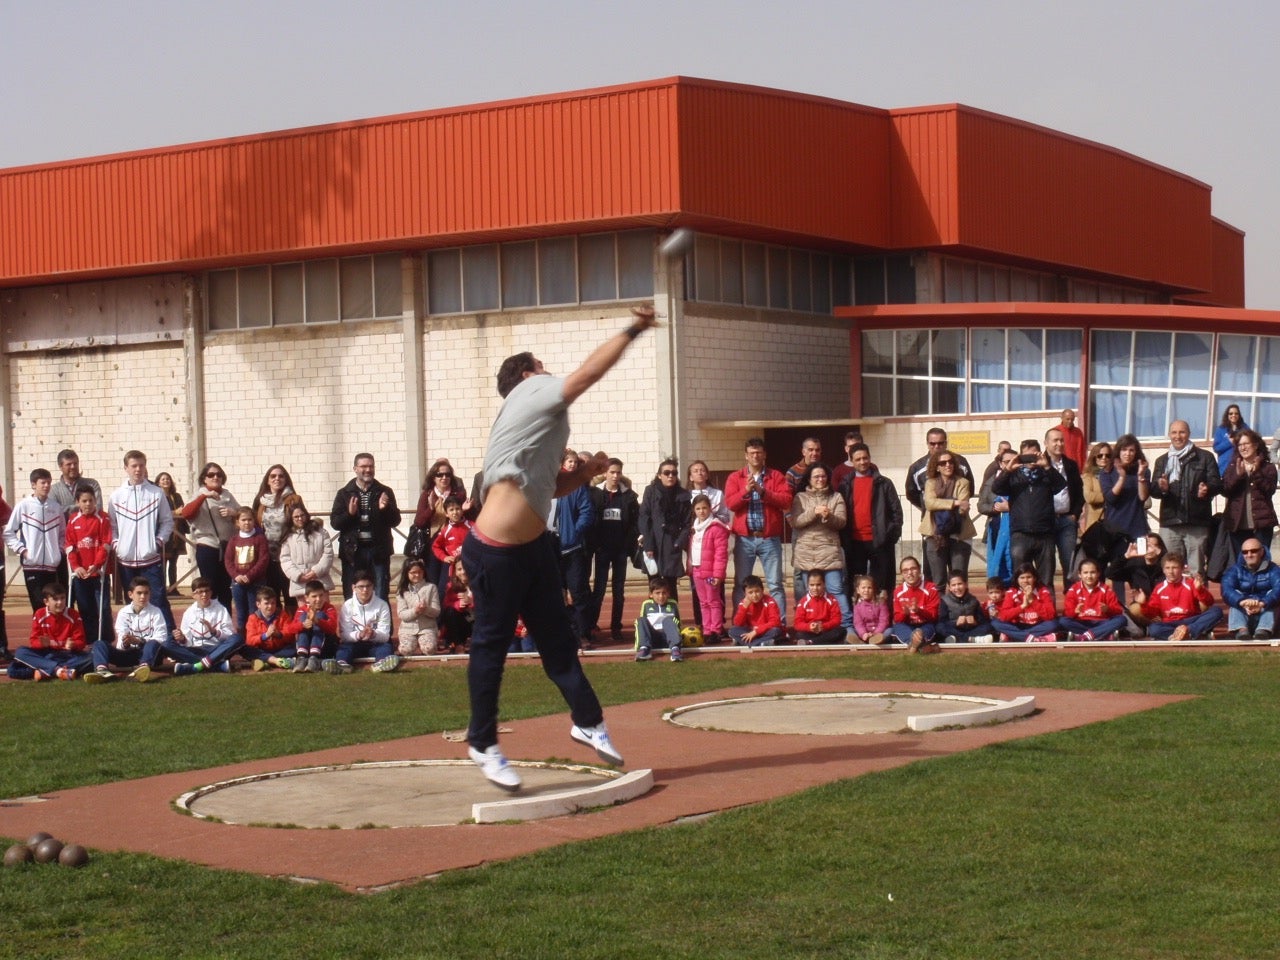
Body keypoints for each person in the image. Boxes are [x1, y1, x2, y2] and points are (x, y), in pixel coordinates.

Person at [460, 308, 652, 791]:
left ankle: (587, 720)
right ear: (527, 375)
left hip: (532, 550)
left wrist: (584, 473)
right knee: (491, 647)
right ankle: (482, 741)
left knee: (559, 641)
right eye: (542, 367)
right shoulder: (530, 391)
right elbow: (586, 375)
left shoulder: (537, 424)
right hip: (495, 552)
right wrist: (633, 329)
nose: (549, 373)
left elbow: (548, 490)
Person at [725, 438, 793, 618]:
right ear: (746, 456)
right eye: (752, 453)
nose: (755, 456)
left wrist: (763, 492)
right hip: (744, 539)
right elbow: (730, 503)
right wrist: (745, 491)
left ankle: (779, 624)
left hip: (769, 538)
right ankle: (740, 622)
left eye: (759, 452)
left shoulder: (776, 476)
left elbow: (786, 500)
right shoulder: (735, 477)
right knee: (741, 583)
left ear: (764, 455)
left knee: (775, 584)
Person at [109, 451, 175, 632]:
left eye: (141, 465)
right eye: (134, 466)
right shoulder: (116, 496)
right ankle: (134, 638)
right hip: (126, 561)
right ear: (126, 468)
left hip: (150, 560)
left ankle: (169, 639)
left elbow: (167, 521)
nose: (138, 469)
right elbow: (112, 526)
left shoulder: (156, 493)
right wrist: (117, 545)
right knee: (132, 603)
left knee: (158, 600)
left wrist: (158, 542)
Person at [1150, 420, 1220, 577]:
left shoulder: (1205, 457)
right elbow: (1153, 490)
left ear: (1188, 434)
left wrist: (1207, 489)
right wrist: (1162, 488)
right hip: (1170, 523)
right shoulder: (1162, 461)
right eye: (1174, 432)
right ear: (1169, 435)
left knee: (1197, 571)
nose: (1178, 436)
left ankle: (1199, 594)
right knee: (1171, 570)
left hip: (1197, 522)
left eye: (1182, 432)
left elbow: (1217, 483)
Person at [991, 440, 1066, 587]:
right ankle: (1022, 602)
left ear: (1040, 454)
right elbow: (996, 488)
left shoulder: (1046, 473)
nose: (1030, 459)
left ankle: (1046, 602)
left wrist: (1047, 466)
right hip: (1020, 533)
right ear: (1020, 456)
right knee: (1021, 578)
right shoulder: (1014, 475)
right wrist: (1008, 470)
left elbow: (1060, 485)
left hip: (1044, 533)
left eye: (1034, 455)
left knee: (1046, 579)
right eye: (1026, 456)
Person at [905, 428, 974, 586]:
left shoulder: (961, 463)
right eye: (933, 443)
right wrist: (948, 505)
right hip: (933, 529)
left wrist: (941, 504)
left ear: (946, 443)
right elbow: (915, 495)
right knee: (934, 578)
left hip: (958, 529)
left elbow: (968, 493)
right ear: (927, 444)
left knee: (959, 578)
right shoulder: (917, 468)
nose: (937, 446)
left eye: (940, 443)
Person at [330, 453, 402, 600]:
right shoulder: (344, 493)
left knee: (380, 592)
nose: (368, 470)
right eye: (363, 466)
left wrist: (385, 509)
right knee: (352, 594)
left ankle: (381, 616)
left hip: (378, 551)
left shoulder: (384, 491)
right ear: (355, 469)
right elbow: (335, 523)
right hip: (352, 552)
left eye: (371, 466)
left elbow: (395, 521)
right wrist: (349, 514)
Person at [789, 462, 850, 628]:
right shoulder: (800, 497)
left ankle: (846, 626)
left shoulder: (836, 497)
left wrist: (829, 516)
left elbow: (841, 522)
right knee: (809, 593)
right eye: (816, 476)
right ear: (809, 479)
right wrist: (813, 512)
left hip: (829, 551)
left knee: (836, 590)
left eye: (823, 476)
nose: (820, 479)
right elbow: (796, 521)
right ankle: (808, 626)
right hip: (806, 552)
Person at [588, 458, 639, 642]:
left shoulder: (629, 496)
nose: (615, 476)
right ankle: (591, 625)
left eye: (618, 472)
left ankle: (616, 627)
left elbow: (635, 522)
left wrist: (628, 543)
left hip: (620, 550)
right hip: (602, 549)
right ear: (605, 474)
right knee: (599, 590)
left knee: (619, 591)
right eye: (612, 472)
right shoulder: (596, 495)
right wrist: (596, 543)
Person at [550, 450, 597, 648]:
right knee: (554, 594)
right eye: (569, 461)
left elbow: (587, 512)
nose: (572, 465)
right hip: (549, 548)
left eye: (575, 462)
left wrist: (575, 532)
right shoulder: (548, 483)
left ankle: (582, 634)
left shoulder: (577, 487)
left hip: (572, 548)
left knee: (578, 593)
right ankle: (559, 634)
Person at [4, 468, 68, 611]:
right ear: (33, 485)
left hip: (52, 566)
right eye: (43, 483)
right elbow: (8, 532)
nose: (46, 486)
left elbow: (63, 534)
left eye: (49, 483)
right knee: (39, 607)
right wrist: (23, 551)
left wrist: (59, 552)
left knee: (54, 609)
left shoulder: (56, 508)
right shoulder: (23, 506)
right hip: (32, 566)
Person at [180, 462, 240, 612]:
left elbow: (244, 514)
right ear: (204, 479)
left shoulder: (227, 495)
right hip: (207, 547)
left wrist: (234, 513)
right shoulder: (200, 494)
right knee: (210, 588)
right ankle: (210, 619)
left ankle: (225, 620)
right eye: (211, 475)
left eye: (219, 475)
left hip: (227, 547)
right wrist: (203, 496)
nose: (215, 477)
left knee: (226, 589)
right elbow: (186, 513)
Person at [84, 576, 166, 683]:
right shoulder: (123, 612)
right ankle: (102, 671)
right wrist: (126, 642)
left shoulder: (156, 612)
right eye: (139, 593)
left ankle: (143, 668)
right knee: (99, 643)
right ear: (130, 594)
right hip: (128, 654)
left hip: (148, 654)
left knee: (152, 643)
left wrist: (140, 641)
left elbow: (161, 637)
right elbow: (121, 642)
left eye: (146, 593)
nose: (143, 597)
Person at [7, 583, 89, 681]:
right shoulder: (39, 614)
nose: (60, 602)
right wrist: (41, 644)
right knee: (20, 653)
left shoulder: (73, 615)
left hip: (67, 655)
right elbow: (33, 641)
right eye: (55, 599)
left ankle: (45, 671)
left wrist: (74, 644)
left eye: (62, 598)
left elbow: (81, 642)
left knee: (92, 657)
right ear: (46, 602)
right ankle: (58, 670)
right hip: (46, 654)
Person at [919, 449, 976, 589]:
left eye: (950, 462)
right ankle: (939, 604)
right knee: (938, 581)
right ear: (937, 467)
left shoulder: (963, 482)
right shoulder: (930, 483)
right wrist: (954, 502)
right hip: (935, 534)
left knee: (959, 581)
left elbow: (963, 507)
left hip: (959, 534)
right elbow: (929, 504)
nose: (947, 465)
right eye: (943, 463)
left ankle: (959, 603)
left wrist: (941, 504)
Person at [65, 483, 113, 644]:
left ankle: (106, 640)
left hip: (98, 573)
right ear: (77, 502)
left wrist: (97, 564)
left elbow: (105, 544)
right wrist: (76, 566)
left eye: (91, 500)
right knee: (85, 609)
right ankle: (90, 641)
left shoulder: (103, 518)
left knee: (103, 608)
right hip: (81, 574)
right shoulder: (73, 520)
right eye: (84, 501)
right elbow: (70, 546)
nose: (88, 504)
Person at [165, 576, 242, 675]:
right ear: (193, 595)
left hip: (216, 649)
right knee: (167, 644)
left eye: (207, 591)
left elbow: (229, 635)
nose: (204, 594)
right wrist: (182, 638)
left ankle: (196, 666)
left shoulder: (221, 609)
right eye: (200, 592)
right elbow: (187, 642)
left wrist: (214, 632)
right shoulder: (188, 613)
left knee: (237, 638)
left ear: (211, 592)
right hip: (195, 650)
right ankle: (216, 665)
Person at [1140, 552, 1222, 641]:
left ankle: (1188, 632)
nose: (1171, 572)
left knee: (1216, 611)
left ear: (1182, 569)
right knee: (1153, 629)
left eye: (1174, 568)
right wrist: (1143, 604)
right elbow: (1152, 614)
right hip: (1170, 623)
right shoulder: (1159, 588)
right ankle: (1190, 635)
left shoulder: (1191, 583)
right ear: (1163, 570)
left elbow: (1209, 602)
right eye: (1167, 568)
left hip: (1191, 621)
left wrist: (1200, 590)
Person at [328, 570, 400, 673]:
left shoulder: (382, 605)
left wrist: (373, 634)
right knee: (344, 648)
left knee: (386, 647)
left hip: (375, 643)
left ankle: (382, 663)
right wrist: (359, 634)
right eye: (361, 586)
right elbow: (344, 635)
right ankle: (342, 665)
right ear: (354, 588)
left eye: (368, 586)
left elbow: (385, 635)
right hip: (355, 643)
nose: (365, 590)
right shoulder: (347, 606)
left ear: (373, 586)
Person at [638, 457, 689, 600]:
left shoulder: (683, 495)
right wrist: (648, 544)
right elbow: (644, 517)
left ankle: (673, 613)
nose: (670, 476)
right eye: (666, 473)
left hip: (671, 544)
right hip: (653, 543)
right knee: (654, 584)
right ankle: (654, 613)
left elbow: (687, 523)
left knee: (670, 585)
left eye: (674, 473)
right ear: (659, 475)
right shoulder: (651, 491)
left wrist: (679, 543)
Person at [1220, 429, 1277, 555]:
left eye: (1246, 444)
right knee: (1241, 561)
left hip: (1262, 525)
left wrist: (1256, 473)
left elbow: (1270, 490)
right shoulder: (1232, 467)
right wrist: (1238, 476)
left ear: (1256, 445)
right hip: (1238, 525)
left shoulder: (1268, 467)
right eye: (1240, 445)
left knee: (1262, 560)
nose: (1243, 448)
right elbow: (1225, 490)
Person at [1044, 426, 1085, 588]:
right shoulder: (1040, 464)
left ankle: (1071, 597)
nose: (1059, 444)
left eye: (1061, 440)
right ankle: (1048, 600)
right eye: (1055, 440)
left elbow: (1079, 492)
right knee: (1047, 564)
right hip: (1046, 521)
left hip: (1067, 520)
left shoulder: (1071, 465)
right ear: (1046, 443)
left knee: (1070, 562)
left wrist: (1075, 514)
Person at [686, 493, 729, 644]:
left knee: (713, 601)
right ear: (694, 510)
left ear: (710, 508)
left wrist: (718, 574)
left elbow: (721, 554)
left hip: (710, 572)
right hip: (697, 570)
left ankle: (716, 631)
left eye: (704, 508)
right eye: (698, 508)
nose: (702, 511)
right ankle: (706, 630)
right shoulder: (694, 528)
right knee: (703, 602)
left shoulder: (716, 527)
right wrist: (690, 567)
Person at [251, 465, 299, 598]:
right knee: (271, 593)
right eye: (273, 476)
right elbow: (254, 523)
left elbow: (301, 521)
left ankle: (291, 613)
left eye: (281, 476)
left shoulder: (294, 499)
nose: (277, 479)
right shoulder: (260, 501)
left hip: (288, 552)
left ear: (286, 479)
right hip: (267, 553)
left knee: (290, 594)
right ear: (267, 480)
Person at [1220, 538, 1280, 640]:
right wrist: (1242, 602)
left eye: (1254, 551)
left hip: (1265, 612)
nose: (1249, 555)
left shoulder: (1274, 569)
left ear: (1261, 552)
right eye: (1245, 552)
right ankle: (1241, 630)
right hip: (1244, 611)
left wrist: (1262, 603)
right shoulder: (1234, 569)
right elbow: (1226, 589)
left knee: (1272, 596)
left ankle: (1263, 630)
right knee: (1235, 597)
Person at [224, 507, 271, 637]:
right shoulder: (234, 540)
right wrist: (236, 576)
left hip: (256, 583)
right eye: (243, 520)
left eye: (250, 519)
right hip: (238, 583)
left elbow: (263, 559)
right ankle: (241, 639)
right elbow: (228, 560)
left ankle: (254, 639)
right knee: (241, 613)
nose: (247, 523)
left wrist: (249, 576)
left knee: (254, 612)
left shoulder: (260, 538)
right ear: (237, 522)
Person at [1058, 558, 1127, 642]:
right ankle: (1101, 634)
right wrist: (1075, 611)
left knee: (1121, 620)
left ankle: (1085, 636)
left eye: (1092, 572)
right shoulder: (1073, 590)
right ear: (1079, 574)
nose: (1089, 576)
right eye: (1085, 573)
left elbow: (1118, 611)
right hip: (1081, 622)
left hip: (1101, 622)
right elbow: (1067, 613)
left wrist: (1108, 609)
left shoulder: (1106, 589)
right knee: (1063, 621)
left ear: (1098, 574)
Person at [278, 502, 335, 600]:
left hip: (320, 578)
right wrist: (297, 575)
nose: (300, 519)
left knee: (323, 608)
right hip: (300, 582)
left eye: (302, 515)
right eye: (296, 517)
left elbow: (328, 554)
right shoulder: (288, 536)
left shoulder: (321, 532)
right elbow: (285, 559)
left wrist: (316, 571)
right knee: (303, 609)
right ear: (291, 518)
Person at [991, 563, 1059, 642]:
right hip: (1018, 625)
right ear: (1017, 579)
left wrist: (1033, 601)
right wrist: (1022, 606)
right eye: (1022, 578)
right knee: (996, 623)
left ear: (1035, 578)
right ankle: (1032, 638)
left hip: (1037, 625)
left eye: (1029, 577)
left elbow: (1050, 615)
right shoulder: (1011, 592)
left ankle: (1016, 636)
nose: (1025, 581)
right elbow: (1004, 616)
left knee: (1053, 624)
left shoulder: (1043, 591)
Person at [977, 447, 1017, 584]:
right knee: (996, 564)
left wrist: (1010, 507)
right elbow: (981, 505)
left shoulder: (1022, 480)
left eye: (1013, 461)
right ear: (1000, 463)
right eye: (1006, 462)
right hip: (996, 527)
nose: (1010, 464)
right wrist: (995, 508)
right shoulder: (991, 481)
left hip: (1017, 529)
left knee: (1013, 564)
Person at [885, 556, 941, 653]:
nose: (909, 573)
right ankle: (922, 646)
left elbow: (934, 616)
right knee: (898, 627)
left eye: (913, 569)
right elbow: (897, 619)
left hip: (925, 624)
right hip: (907, 625)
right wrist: (904, 613)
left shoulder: (931, 588)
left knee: (926, 629)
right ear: (902, 574)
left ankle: (914, 646)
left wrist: (918, 611)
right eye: (905, 571)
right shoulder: (898, 591)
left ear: (919, 569)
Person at [242, 585, 298, 671]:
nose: (270, 606)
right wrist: (265, 636)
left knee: (294, 649)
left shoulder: (282, 615)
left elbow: (290, 635)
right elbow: (250, 640)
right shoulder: (253, 618)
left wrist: (279, 634)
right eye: (266, 603)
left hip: (279, 649)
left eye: (273, 603)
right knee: (245, 649)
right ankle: (276, 661)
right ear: (258, 604)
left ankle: (266, 661)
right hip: (261, 650)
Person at [291, 579, 340, 673]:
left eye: (321, 595)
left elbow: (332, 628)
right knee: (304, 617)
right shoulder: (301, 609)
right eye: (314, 596)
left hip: (326, 645)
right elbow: (291, 628)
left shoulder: (329, 608)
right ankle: (302, 658)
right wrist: (302, 625)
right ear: (306, 598)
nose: (318, 599)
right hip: (307, 646)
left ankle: (314, 658)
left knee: (320, 615)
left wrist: (317, 621)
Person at [396, 557, 441, 657]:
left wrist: (426, 609)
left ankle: (426, 643)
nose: (417, 575)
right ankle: (412, 643)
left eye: (419, 572)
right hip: (407, 629)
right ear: (406, 573)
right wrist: (415, 611)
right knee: (405, 651)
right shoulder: (402, 591)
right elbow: (402, 614)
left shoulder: (431, 587)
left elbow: (437, 612)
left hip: (427, 628)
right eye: (413, 572)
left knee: (429, 649)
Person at [634, 574, 683, 661]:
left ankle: (675, 649)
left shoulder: (673, 604)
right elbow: (643, 626)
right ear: (651, 594)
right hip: (652, 638)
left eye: (664, 593)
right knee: (641, 620)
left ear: (668, 594)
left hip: (668, 638)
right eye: (657, 593)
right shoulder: (646, 604)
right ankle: (644, 649)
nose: (661, 596)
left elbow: (678, 623)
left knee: (668, 620)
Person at [431, 495, 473, 594]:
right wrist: (444, 557)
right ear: (446, 513)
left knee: (471, 590)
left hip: (470, 565)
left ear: (462, 510)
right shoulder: (445, 531)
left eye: (457, 509)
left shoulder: (472, 526)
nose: (455, 512)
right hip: (453, 567)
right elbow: (435, 546)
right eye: (451, 510)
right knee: (445, 590)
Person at [728, 574, 784, 647]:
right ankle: (762, 643)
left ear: (762, 590)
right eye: (750, 592)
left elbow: (775, 622)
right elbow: (738, 623)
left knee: (776, 631)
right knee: (733, 630)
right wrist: (744, 608)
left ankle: (750, 643)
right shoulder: (743, 603)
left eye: (757, 591)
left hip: (765, 631)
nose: (754, 595)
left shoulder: (770, 601)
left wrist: (756, 631)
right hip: (750, 631)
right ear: (745, 594)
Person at [154, 472, 187, 595]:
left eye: (167, 479)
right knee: (162, 563)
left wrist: (178, 512)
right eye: (163, 479)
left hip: (177, 534)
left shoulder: (176, 496)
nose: (165, 481)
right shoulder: (157, 496)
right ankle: (161, 589)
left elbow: (182, 510)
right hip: (164, 534)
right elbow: (159, 513)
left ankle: (173, 589)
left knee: (173, 563)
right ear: (158, 482)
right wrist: (174, 512)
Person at [937, 572, 992, 643]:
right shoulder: (945, 601)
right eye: (953, 585)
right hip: (954, 630)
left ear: (966, 584)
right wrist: (956, 623)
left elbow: (982, 620)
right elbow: (943, 621)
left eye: (960, 584)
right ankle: (973, 639)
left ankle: (957, 639)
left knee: (989, 626)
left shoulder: (973, 600)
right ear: (949, 588)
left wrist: (975, 622)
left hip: (971, 630)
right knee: (939, 627)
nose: (957, 588)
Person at [794, 570, 845, 645]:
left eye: (818, 585)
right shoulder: (803, 601)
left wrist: (823, 626)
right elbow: (797, 624)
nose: (815, 588)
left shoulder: (831, 599)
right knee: (799, 634)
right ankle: (821, 642)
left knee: (841, 631)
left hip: (826, 630)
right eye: (812, 585)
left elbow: (837, 620)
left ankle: (810, 642)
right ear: (807, 585)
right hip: (810, 632)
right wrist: (809, 627)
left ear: (824, 584)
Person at [49, 449, 102, 516]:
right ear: (60, 467)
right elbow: (53, 512)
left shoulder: (92, 484)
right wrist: (77, 507)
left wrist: (66, 509)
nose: (73, 467)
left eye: (75, 463)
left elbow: (97, 508)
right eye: (69, 464)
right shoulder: (53, 490)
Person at [439, 565, 474, 652]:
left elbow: (487, 604)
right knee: (449, 612)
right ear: (454, 571)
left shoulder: (479, 583)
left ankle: (475, 642)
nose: (463, 572)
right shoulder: (451, 586)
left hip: (476, 619)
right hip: (460, 622)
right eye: (459, 569)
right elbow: (446, 605)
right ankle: (457, 644)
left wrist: (471, 602)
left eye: (465, 568)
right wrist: (458, 604)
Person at [850, 575, 889, 645]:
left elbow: (884, 621)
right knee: (850, 630)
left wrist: (876, 633)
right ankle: (860, 641)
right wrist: (863, 634)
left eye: (869, 588)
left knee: (890, 630)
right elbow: (858, 623)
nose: (866, 590)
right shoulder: (857, 606)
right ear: (858, 590)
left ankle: (875, 640)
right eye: (863, 588)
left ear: (874, 589)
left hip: (879, 632)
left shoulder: (881, 603)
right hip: (864, 633)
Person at [1213, 404, 1247, 475]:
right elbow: (1216, 448)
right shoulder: (1221, 429)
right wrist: (1229, 442)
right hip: (1225, 467)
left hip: (1241, 466)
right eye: (1231, 413)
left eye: (1236, 413)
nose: (1233, 415)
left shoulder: (1245, 428)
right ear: (1227, 415)